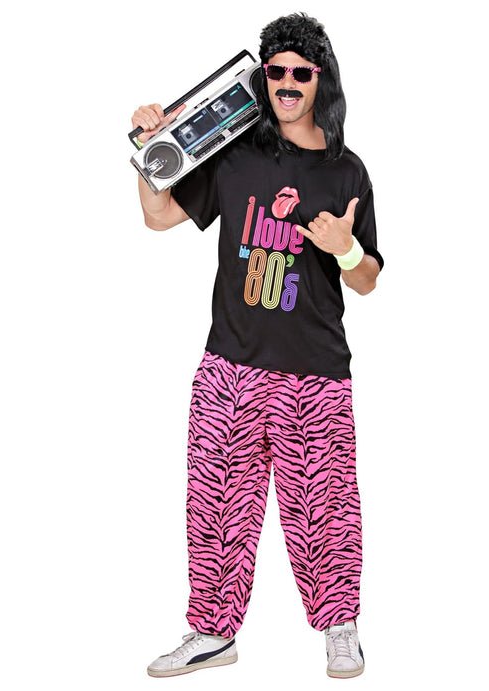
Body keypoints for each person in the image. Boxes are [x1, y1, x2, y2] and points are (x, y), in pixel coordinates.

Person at [132, 12, 383, 679]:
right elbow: (156, 216)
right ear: (263, 79)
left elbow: (368, 279)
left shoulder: (346, 172)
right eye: (276, 71)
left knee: (324, 509)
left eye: (301, 71)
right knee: (216, 505)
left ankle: (340, 627)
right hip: (229, 370)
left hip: (314, 375)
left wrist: (344, 248)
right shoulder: (235, 155)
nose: (287, 82)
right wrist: (150, 152)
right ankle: (213, 634)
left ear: (321, 79)